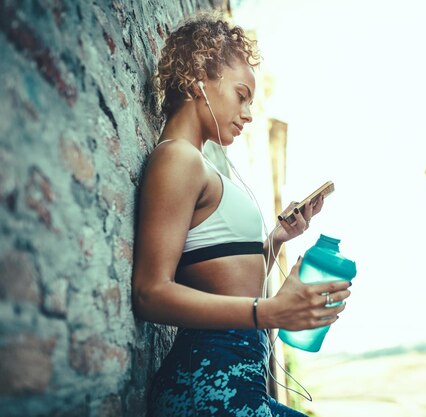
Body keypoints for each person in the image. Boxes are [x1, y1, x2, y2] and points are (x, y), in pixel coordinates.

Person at [131, 11, 352, 417]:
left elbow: (219, 272)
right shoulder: (178, 159)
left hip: (238, 385)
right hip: (207, 387)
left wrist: (276, 242)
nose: (249, 114)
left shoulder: (198, 165)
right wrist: (267, 311)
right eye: (241, 95)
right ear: (199, 78)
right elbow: (150, 293)